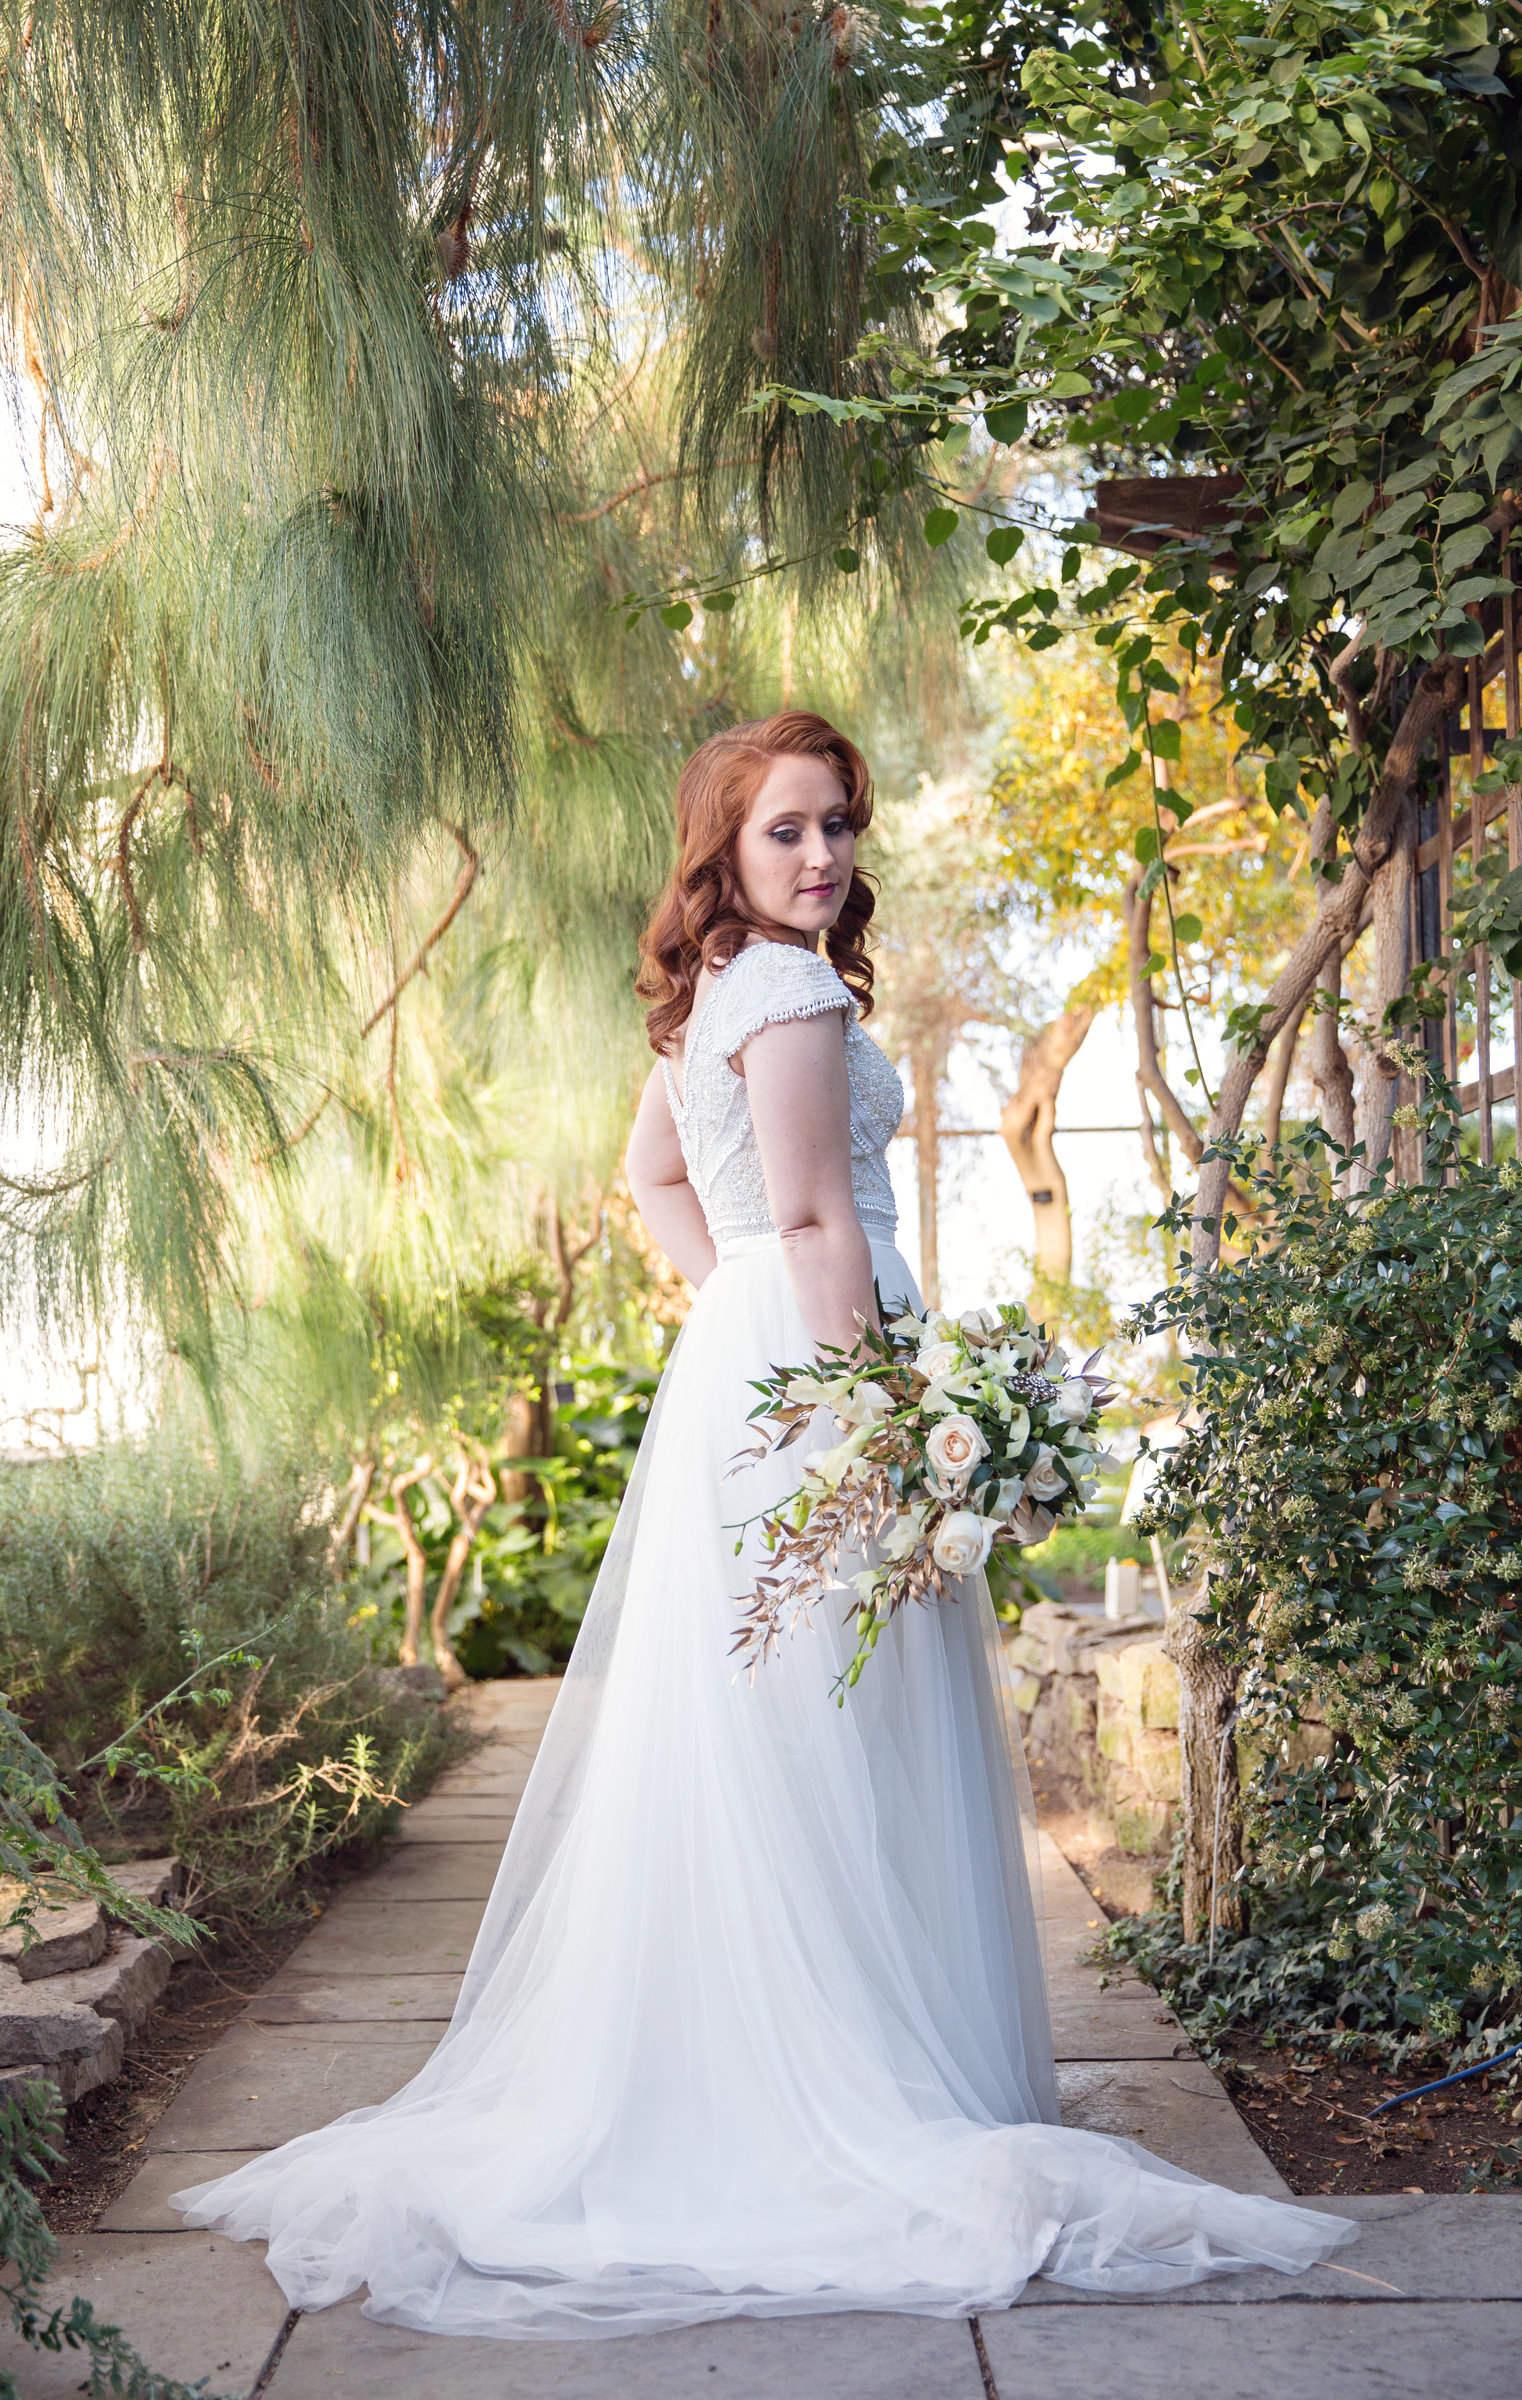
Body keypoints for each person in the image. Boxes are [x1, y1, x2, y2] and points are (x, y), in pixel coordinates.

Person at [173, 709, 1353, 2337]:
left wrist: (730, 1309)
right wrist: (893, 1417)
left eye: (841, 827)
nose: (825, 857)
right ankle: (847, 2084)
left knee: (777, 1728)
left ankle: (770, 2056)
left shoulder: (718, 994)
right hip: (822, 1385)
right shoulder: (789, 990)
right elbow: (806, 1217)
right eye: (790, 829)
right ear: (724, 845)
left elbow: (663, 1182)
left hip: (755, 1377)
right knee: (836, 1724)